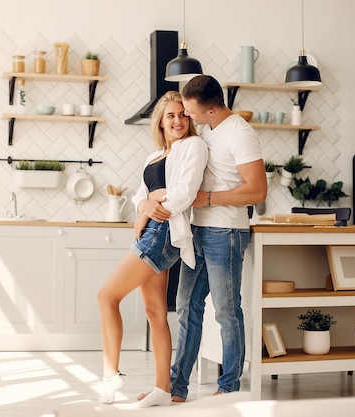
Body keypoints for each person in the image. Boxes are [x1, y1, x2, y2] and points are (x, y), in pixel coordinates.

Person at [146, 75, 267, 401]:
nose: (186, 116)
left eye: (190, 111)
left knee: (227, 312)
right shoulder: (208, 131)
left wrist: (209, 199)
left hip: (226, 231)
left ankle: (229, 388)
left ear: (210, 109)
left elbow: (257, 189)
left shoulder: (240, 133)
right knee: (186, 305)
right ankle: (177, 386)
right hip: (197, 229)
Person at [96, 91, 208, 408]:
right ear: (160, 120)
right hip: (150, 229)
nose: (178, 121)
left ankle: (110, 376)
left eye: (183, 115)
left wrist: (152, 205)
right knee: (155, 313)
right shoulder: (154, 155)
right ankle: (162, 388)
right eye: (171, 115)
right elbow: (139, 196)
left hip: (162, 232)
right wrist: (145, 204)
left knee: (106, 296)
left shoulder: (193, 147)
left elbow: (184, 194)